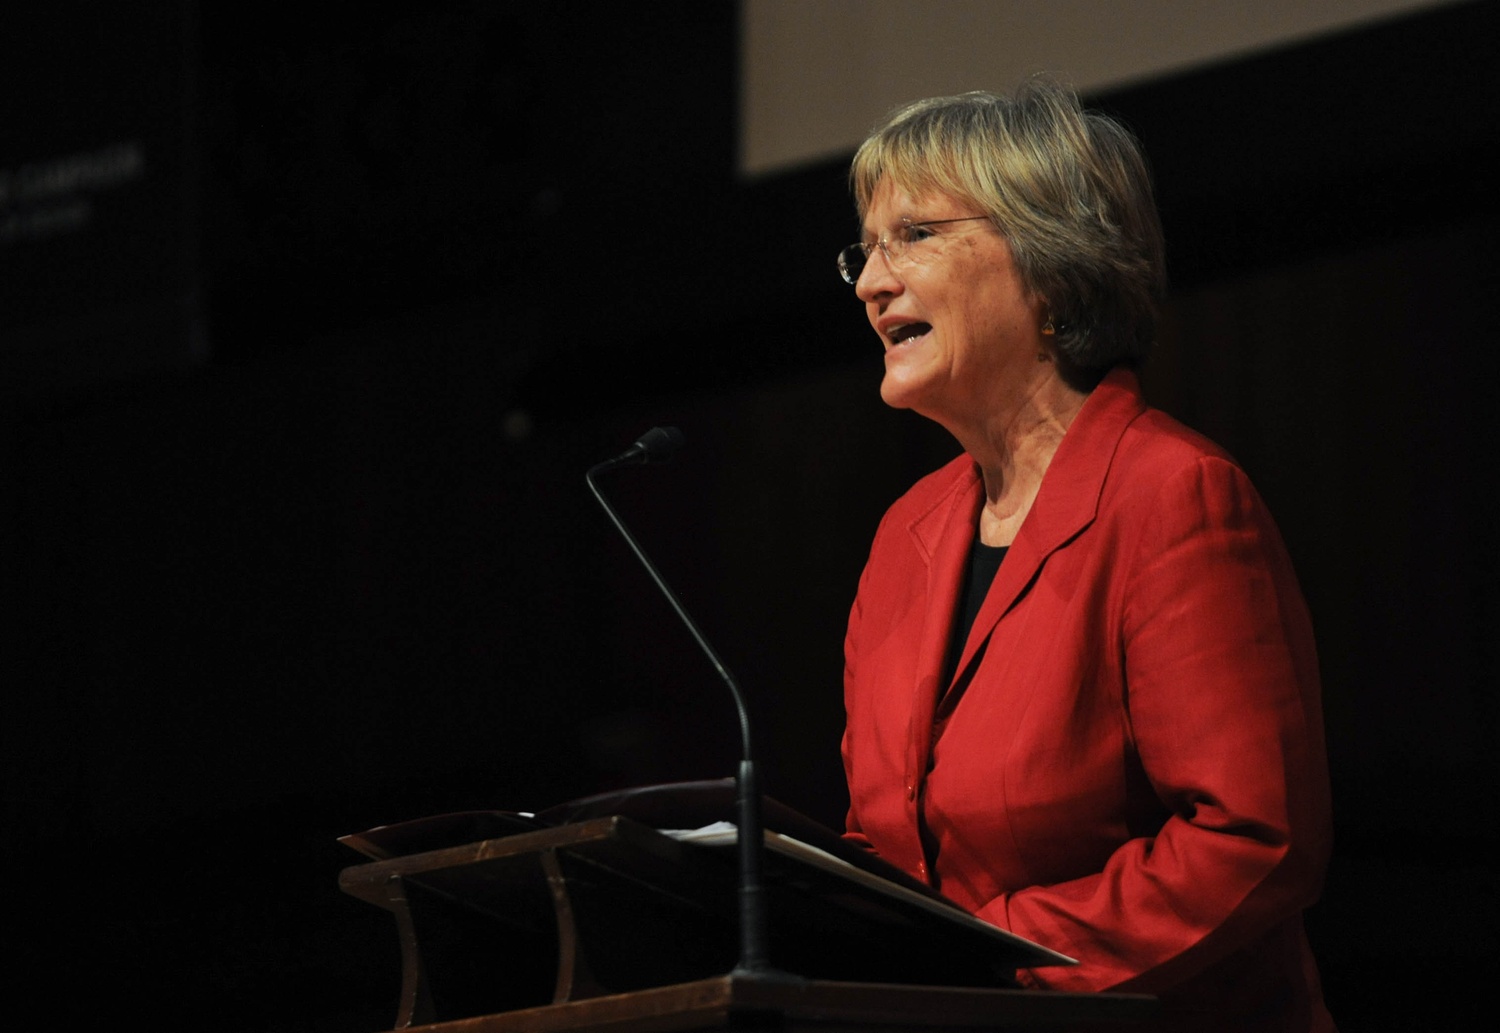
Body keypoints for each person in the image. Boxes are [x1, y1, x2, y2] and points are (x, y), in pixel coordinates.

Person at [836, 79, 1335, 1032]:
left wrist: (999, 963)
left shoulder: (1171, 496)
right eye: (865, 250)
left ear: (1053, 268)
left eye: (917, 236)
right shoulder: (905, 539)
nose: (871, 282)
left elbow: (1251, 838)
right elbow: (885, 846)